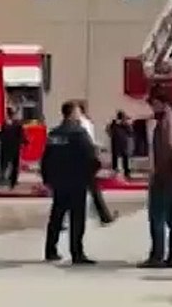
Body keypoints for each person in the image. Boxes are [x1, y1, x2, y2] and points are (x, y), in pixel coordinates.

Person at [140, 87, 172, 269]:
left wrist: (158, 174)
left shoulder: (165, 123)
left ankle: (157, 255)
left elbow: (166, 149)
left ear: (160, 102)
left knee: (157, 216)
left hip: (166, 176)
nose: (152, 108)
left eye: (153, 104)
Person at [40, 100, 97, 265]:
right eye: (78, 111)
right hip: (76, 181)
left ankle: (50, 250)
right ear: (72, 113)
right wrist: (91, 174)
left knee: (56, 217)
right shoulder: (79, 133)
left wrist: (47, 179)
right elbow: (90, 156)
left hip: (59, 182)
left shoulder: (54, 134)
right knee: (76, 219)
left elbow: (46, 158)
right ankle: (77, 253)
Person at [76, 100, 114, 224]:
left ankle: (104, 215)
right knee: (92, 188)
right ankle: (104, 216)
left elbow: (85, 141)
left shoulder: (81, 123)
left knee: (79, 188)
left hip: (82, 158)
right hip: (88, 157)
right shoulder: (87, 122)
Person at [0, 107, 25, 189]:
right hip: (14, 147)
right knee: (14, 166)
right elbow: (21, 135)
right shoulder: (17, 124)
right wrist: (23, 142)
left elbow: (2, 135)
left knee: (3, 166)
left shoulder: (4, 124)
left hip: (6, 147)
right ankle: (12, 183)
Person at [107, 111, 134, 180]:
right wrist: (113, 123)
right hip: (116, 143)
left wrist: (127, 124)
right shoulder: (114, 124)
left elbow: (131, 133)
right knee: (115, 158)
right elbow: (109, 132)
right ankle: (115, 172)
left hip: (123, 144)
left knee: (125, 159)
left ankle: (127, 173)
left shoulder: (126, 124)